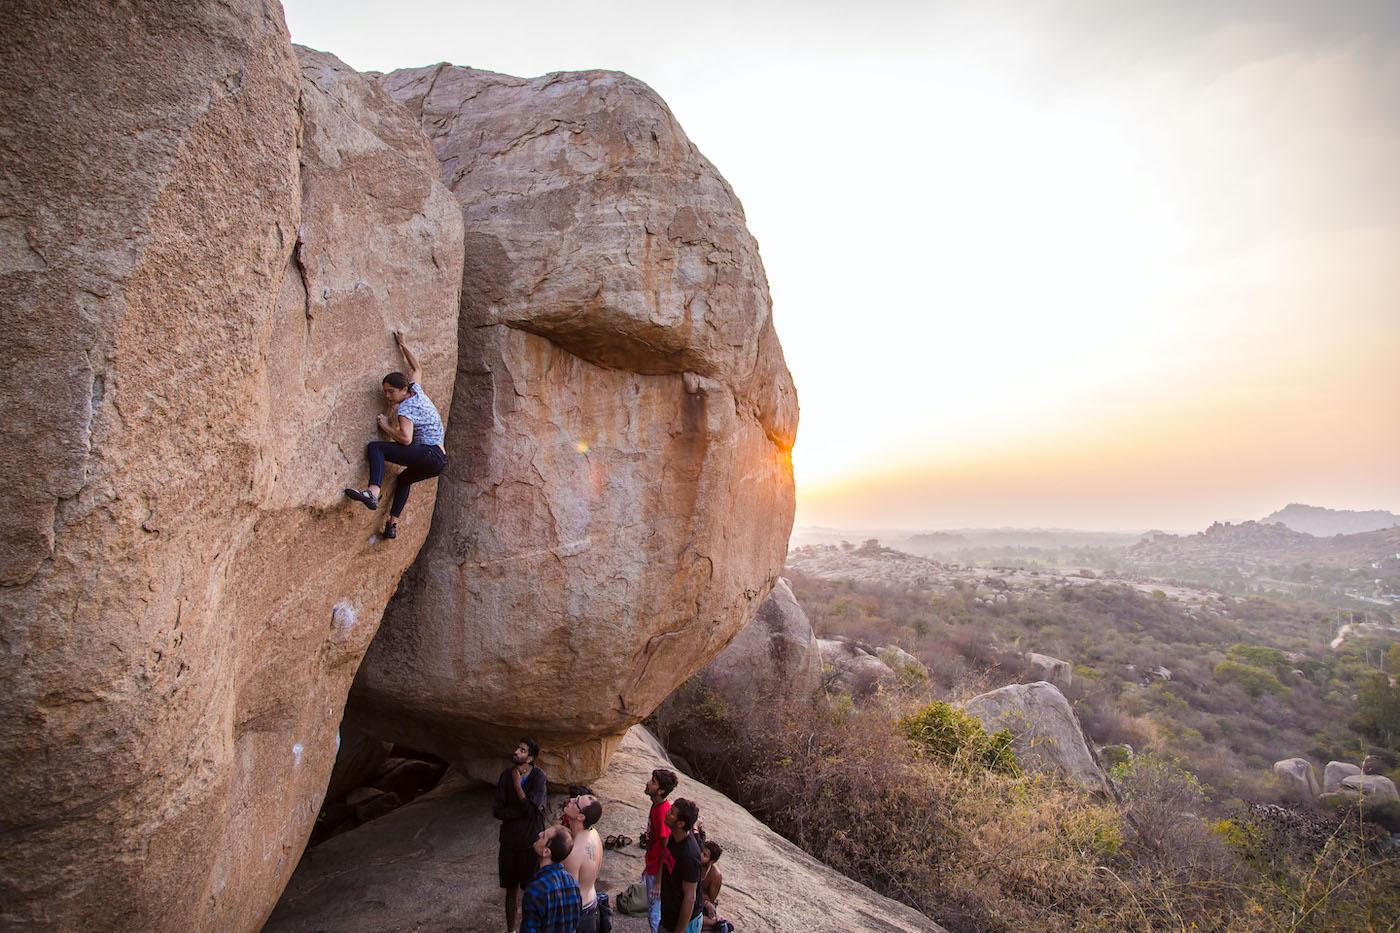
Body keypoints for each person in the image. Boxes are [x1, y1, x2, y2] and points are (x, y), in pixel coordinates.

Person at [343, 330, 447, 539]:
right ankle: (392, 525)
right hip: (439, 461)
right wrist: (402, 343)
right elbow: (417, 367)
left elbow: (406, 439)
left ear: (402, 390)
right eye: (385, 392)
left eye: (391, 391)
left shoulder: (405, 410)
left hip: (427, 453)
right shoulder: (417, 390)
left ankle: (372, 492)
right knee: (404, 480)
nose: (388, 396)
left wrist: (385, 426)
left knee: (375, 447)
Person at [493, 738, 548, 933]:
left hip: (529, 844)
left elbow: (534, 812)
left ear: (530, 758)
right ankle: (511, 930)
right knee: (510, 890)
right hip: (509, 843)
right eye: (518, 748)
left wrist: (518, 787)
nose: (516, 751)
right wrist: (522, 812)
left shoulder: (538, 778)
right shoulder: (506, 776)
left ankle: (530, 929)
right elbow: (497, 810)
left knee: (530, 891)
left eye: (522, 750)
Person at [520, 825, 581, 933]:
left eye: (543, 836)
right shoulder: (573, 883)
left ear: (546, 852)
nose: (539, 834)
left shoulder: (536, 889)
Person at [560, 793, 605, 933]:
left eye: (576, 802)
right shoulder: (594, 834)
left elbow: (568, 896)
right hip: (591, 906)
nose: (571, 800)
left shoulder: (573, 852)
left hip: (578, 916)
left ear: (581, 817)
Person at [658, 797, 703, 933]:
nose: (667, 812)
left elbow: (690, 897)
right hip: (668, 915)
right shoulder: (674, 836)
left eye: (671, 812)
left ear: (680, 823)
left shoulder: (689, 855)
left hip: (685, 923)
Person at [642, 768, 678, 933]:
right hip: (653, 865)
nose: (649, 783)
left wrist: (658, 881)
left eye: (653, 782)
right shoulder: (656, 806)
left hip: (657, 871)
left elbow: (666, 849)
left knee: (654, 916)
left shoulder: (663, 812)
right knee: (654, 913)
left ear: (661, 791)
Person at [698, 840, 725, 931]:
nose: (700, 855)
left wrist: (705, 903)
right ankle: (715, 922)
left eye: (705, 855)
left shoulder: (715, 875)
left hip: (702, 903)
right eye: (701, 851)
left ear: (711, 861)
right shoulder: (694, 861)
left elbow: (711, 899)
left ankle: (716, 922)